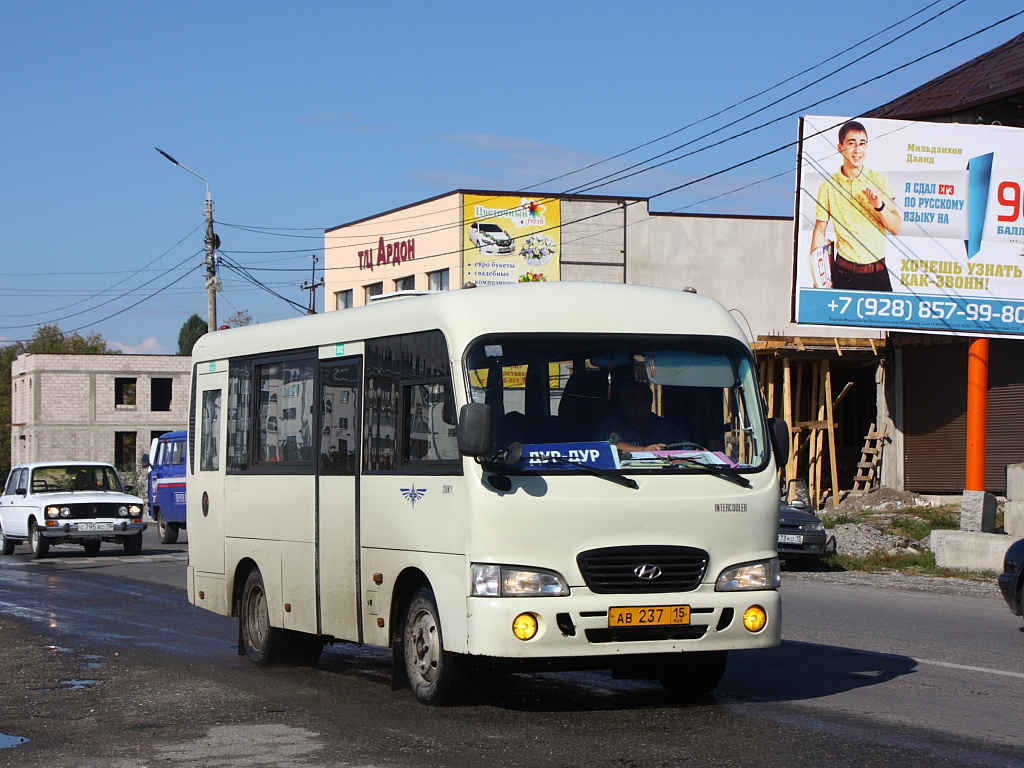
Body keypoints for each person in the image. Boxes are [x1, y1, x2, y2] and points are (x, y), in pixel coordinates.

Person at [810, 120, 902, 291]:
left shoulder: (879, 180)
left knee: (888, 319)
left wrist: (879, 205)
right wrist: (819, 277)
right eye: (851, 144)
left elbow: (896, 227)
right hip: (843, 273)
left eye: (862, 144)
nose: (857, 150)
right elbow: (820, 229)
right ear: (840, 147)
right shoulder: (828, 186)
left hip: (878, 272)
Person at [592, 381, 687, 453]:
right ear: (623, 403)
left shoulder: (667, 426)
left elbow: (688, 448)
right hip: (623, 476)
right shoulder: (611, 424)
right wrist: (644, 450)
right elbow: (610, 445)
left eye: (645, 399)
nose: (640, 404)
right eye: (634, 399)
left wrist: (699, 451)